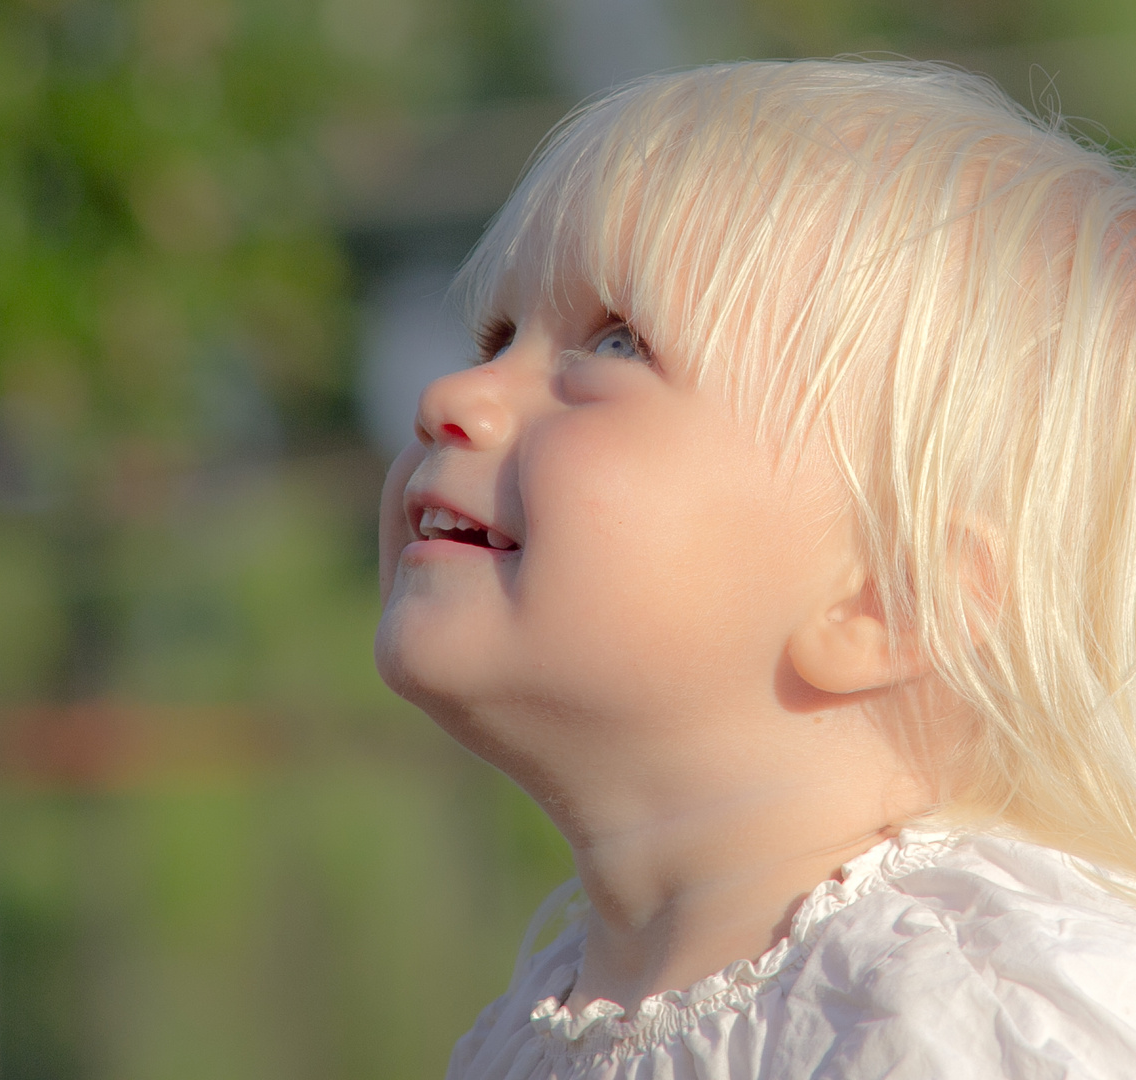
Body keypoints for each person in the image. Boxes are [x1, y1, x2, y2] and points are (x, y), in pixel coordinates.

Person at [374, 59, 1136, 1078]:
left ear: (888, 598)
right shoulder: (524, 1036)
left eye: (610, 343)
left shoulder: (971, 1013)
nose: (452, 392)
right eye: (496, 334)